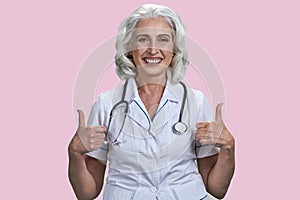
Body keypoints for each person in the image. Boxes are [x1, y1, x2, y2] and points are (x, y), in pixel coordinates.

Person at [68, 4, 235, 200]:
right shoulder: (106, 105)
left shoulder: (195, 102)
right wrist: (75, 153)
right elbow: (86, 193)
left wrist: (228, 147)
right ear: (130, 49)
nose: (153, 49)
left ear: (174, 49)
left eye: (163, 40)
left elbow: (216, 189)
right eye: (143, 39)